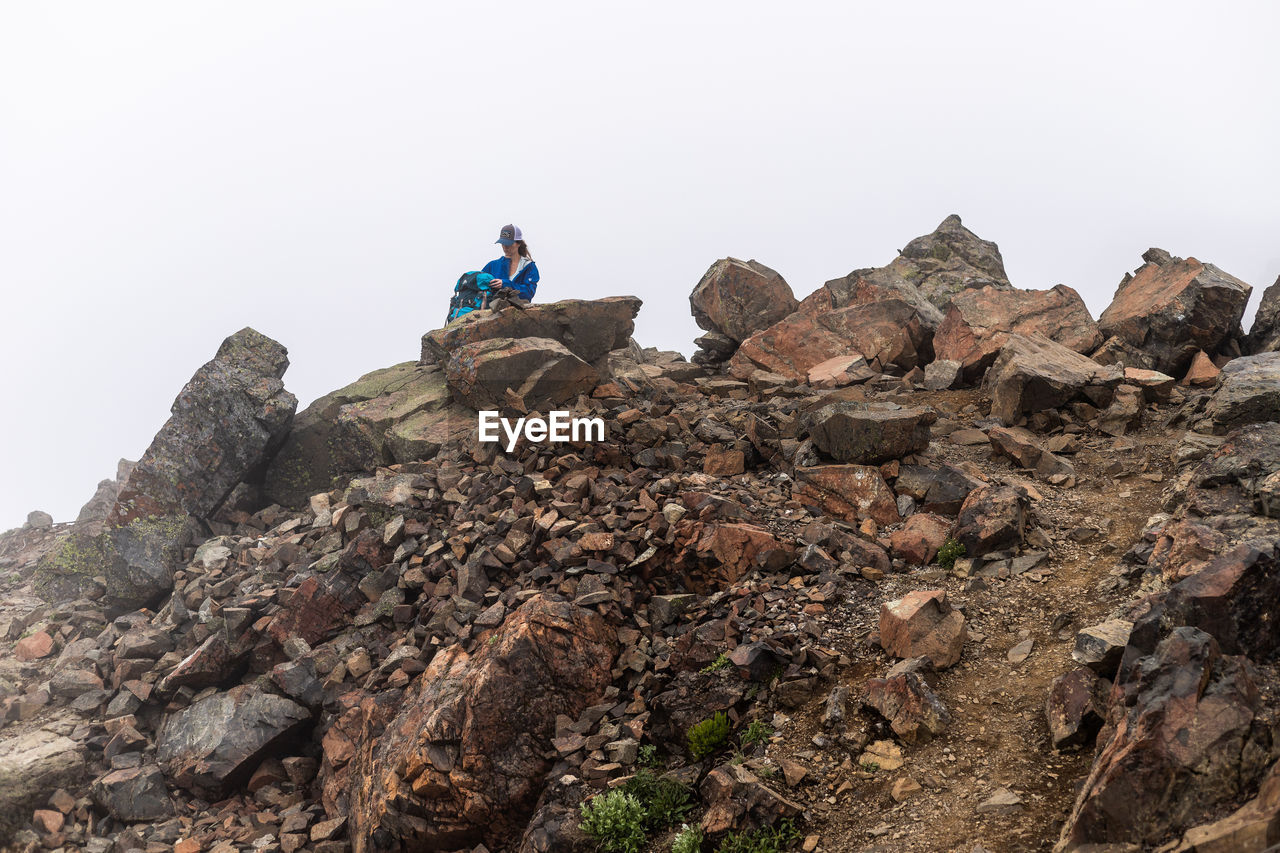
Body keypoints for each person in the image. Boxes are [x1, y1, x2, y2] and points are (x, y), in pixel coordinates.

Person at [481, 224, 539, 302]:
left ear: (518, 243)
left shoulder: (529, 267)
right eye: (502, 243)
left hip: (518, 311)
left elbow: (528, 293)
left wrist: (505, 284)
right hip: (492, 311)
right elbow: (479, 286)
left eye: (509, 243)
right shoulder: (492, 266)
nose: (505, 247)